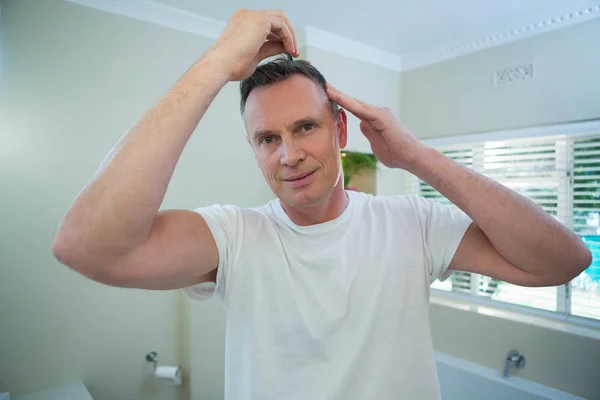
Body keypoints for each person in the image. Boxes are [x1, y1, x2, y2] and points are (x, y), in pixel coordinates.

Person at [52, 9, 592, 400]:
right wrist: (216, 63)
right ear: (253, 148)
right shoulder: (233, 238)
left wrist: (418, 159)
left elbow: (562, 262)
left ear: (339, 129)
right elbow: (86, 247)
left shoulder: (413, 222)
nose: (288, 155)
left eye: (305, 127)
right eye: (267, 139)